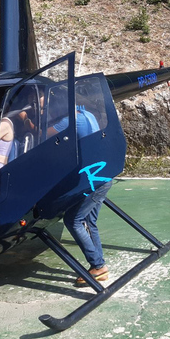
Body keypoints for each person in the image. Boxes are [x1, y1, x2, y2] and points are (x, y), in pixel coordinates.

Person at [50, 98, 111, 285]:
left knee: (73, 219)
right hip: (104, 175)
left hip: (93, 179)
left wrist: (27, 121)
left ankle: (98, 265)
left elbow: (44, 135)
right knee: (89, 221)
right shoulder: (87, 114)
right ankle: (100, 267)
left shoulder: (69, 120)